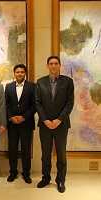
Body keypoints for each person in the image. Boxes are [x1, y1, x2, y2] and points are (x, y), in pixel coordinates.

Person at [35, 56, 74, 193]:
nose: (53, 65)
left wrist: (59, 120)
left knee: (61, 155)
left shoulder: (68, 82)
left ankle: (60, 180)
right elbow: (37, 103)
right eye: (51, 63)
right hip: (45, 125)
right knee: (45, 154)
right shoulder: (40, 82)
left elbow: (70, 103)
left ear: (59, 65)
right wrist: (45, 120)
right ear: (47, 66)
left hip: (61, 125)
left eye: (56, 63)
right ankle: (45, 178)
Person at [5, 64, 36, 184]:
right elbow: (6, 105)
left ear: (25, 73)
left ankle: (26, 174)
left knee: (26, 150)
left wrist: (24, 117)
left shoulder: (32, 86)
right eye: (17, 72)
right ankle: (13, 172)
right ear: (14, 73)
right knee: (12, 149)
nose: (20, 74)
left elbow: (34, 105)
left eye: (22, 72)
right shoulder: (8, 87)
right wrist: (11, 117)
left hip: (26, 124)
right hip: (12, 124)